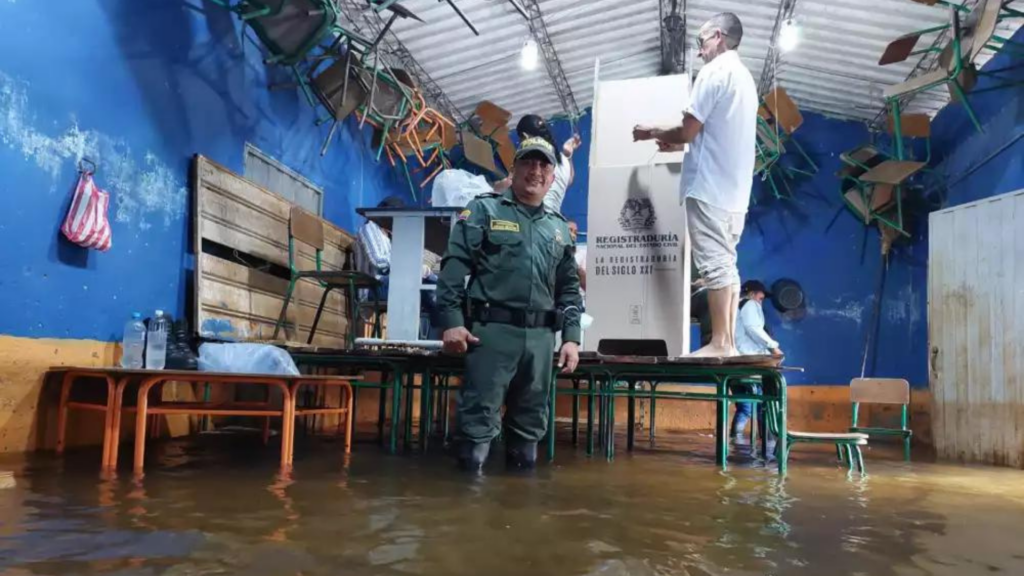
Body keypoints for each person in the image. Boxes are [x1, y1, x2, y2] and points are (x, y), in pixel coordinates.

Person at [436, 136, 583, 473]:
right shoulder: (483, 210)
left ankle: (520, 515)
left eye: (544, 164)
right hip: (491, 336)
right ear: (514, 168)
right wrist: (452, 321)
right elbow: (454, 267)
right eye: (528, 162)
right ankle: (468, 511)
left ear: (552, 176)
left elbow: (570, 290)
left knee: (530, 429)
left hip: (542, 343)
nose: (536, 170)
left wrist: (572, 338)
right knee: (476, 427)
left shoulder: (559, 230)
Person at [632, 12, 758, 357]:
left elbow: (687, 128)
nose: (699, 50)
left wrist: (652, 132)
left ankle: (719, 343)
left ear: (718, 36)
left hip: (709, 187)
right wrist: (682, 143)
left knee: (715, 266)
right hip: (735, 194)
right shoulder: (745, 79)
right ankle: (728, 343)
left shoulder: (714, 72)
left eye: (701, 42)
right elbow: (713, 134)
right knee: (727, 264)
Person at [355, 196, 438, 329]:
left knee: (432, 284)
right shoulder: (370, 228)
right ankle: (438, 330)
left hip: (390, 284)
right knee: (424, 283)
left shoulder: (388, 237)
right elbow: (379, 262)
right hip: (373, 287)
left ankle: (438, 329)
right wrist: (410, 266)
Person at [494, 114, 581, 214]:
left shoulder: (532, 161)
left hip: (531, 218)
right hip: (552, 220)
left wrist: (496, 187)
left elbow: (509, 184)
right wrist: (568, 156)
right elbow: (569, 179)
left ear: (525, 137)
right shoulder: (563, 160)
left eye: (521, 140)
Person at [731, 280, 783, 438]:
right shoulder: (750, 304)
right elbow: (753, 328)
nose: (761, 302)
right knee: (764, 403)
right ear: (752, 294)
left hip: (735, 363)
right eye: (761, 298)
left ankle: (735, 444)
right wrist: (773, 347)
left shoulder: (733, 307)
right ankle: (767, 443)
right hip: (751, 361)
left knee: (744, 407)